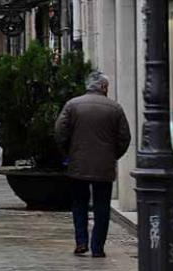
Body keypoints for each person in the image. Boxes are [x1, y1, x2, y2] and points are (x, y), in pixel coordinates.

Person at [55, 72, 131, 258]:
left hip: (78, 164)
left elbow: (60, 132)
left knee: (79, 204)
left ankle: (81, 241)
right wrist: (112, 155)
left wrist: (69, 153)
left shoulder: (73, 105)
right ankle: (98, 247)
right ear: (104, 87)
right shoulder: (115, 108)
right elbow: (124, 138)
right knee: (102, 206)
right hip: (104, 166)